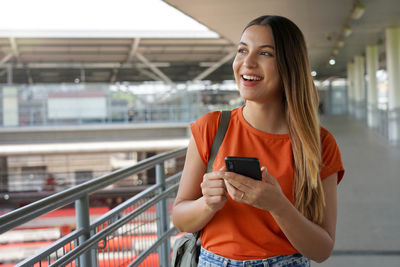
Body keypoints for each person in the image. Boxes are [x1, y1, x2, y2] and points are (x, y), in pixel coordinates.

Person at [172, 15, 345, 267]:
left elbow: (321, 249)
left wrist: (277, 205)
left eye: (265, 53)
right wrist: (207, 204)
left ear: (290, 65)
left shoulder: (319, 143)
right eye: (242, 50)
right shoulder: (210, 127)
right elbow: (180, 219)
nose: (247, 62)